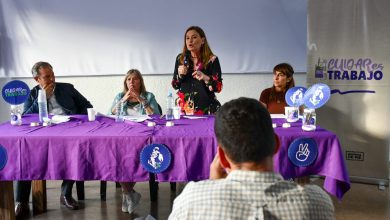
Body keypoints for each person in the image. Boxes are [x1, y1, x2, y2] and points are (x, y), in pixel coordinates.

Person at [169, 97, 334, 220]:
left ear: (223, 159)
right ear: (276, 144)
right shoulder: (318, 202)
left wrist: (214, 186)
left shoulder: (191, 201)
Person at [16, 61, 93, 218]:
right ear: (37, 79)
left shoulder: (67, 88)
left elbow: (87, 105)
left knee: (74, 151)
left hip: (68, 128)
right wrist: (42, 97)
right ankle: (21, 201)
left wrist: (79, 120)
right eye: (47, 77)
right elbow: (26, 116)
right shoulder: (32, 93)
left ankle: (65, 195)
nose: (52, 79)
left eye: (53, 75)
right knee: (24, 153)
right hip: (42, 131)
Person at [109, 69, 161, 214]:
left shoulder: (148, 96)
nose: (132, 82)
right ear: (125, 82)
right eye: (129, 79)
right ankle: (129, 193)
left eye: (135, 79)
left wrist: (140, 99)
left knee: (134, 156)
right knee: (117, 156)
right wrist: (122, 100)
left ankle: (128, 193)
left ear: (140, 81)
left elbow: (156, 116)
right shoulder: (120, 96)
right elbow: (110, 114)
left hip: (142, 134)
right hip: (123, 134)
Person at [172, 26, 222, 115]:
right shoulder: (181, 58)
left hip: (207, 109)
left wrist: (205, 77)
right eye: (187, 38)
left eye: (194, 37)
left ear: (202, 40)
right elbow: (175, 85)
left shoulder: (212, 60)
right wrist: (180, 75)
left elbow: (218, 87)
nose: (190, 41)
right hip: (184, 109)